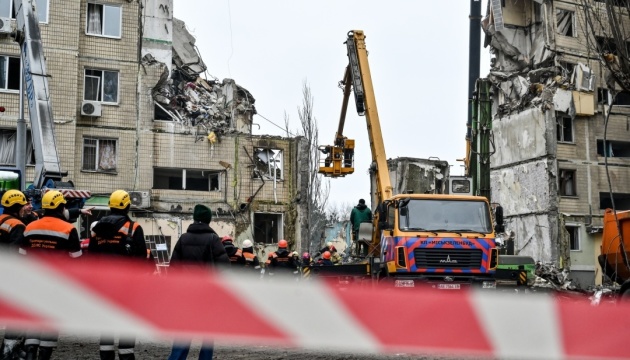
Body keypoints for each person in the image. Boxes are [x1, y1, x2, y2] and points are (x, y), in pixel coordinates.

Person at [20, 190, 83, 360]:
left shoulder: (30, 227)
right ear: (61, 207)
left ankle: (31, 352)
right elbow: (76, 259)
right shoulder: (68, 229)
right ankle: (44, 356)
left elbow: (21, 255)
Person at [89, 190, 150, 360]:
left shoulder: (97, 229)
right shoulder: (133, 228)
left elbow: (92, 258)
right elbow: (141, 258)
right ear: (127, 206)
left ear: (110, 205)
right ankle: (126, 355)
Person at [167, 204, 230, 360]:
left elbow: (173, 268)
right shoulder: (213, 239)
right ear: (208, 220)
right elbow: (224, 267)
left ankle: (176, 358)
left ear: (194, 219)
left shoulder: (183, 239)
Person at [0, 190, 28, 359]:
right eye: (24, 205)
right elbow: (17, 254)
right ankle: (9, 351)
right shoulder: (17, 225)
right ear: (17, 206)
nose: (26, 208)